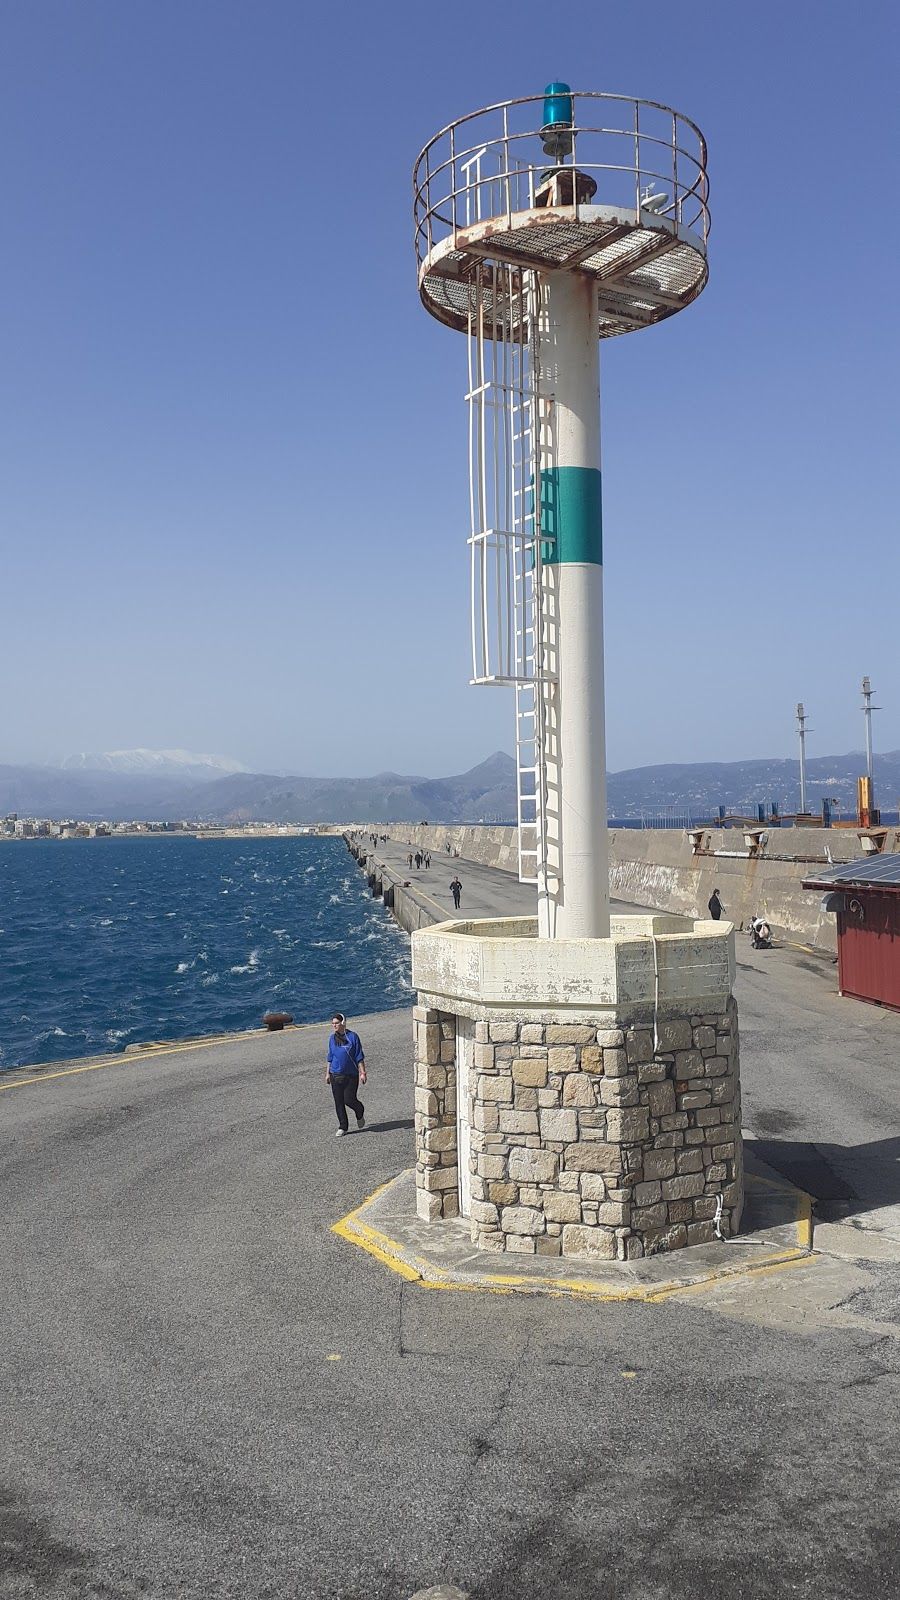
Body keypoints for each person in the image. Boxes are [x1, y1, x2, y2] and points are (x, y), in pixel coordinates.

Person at [326, 1012, 367, 1137]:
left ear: (343, 1023)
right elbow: (330, 1057)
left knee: (349, 1099)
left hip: (351, 1075)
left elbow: (359, 1056)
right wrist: (327, 1073)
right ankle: (343, 1126)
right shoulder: (332, 1039)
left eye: (337, 1023)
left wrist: (362, 1073)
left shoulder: (353, 1037)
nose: (334, 1026)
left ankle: (359, 1111)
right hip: (335, 1074)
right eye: (333, 1023)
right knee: (339, 1101)